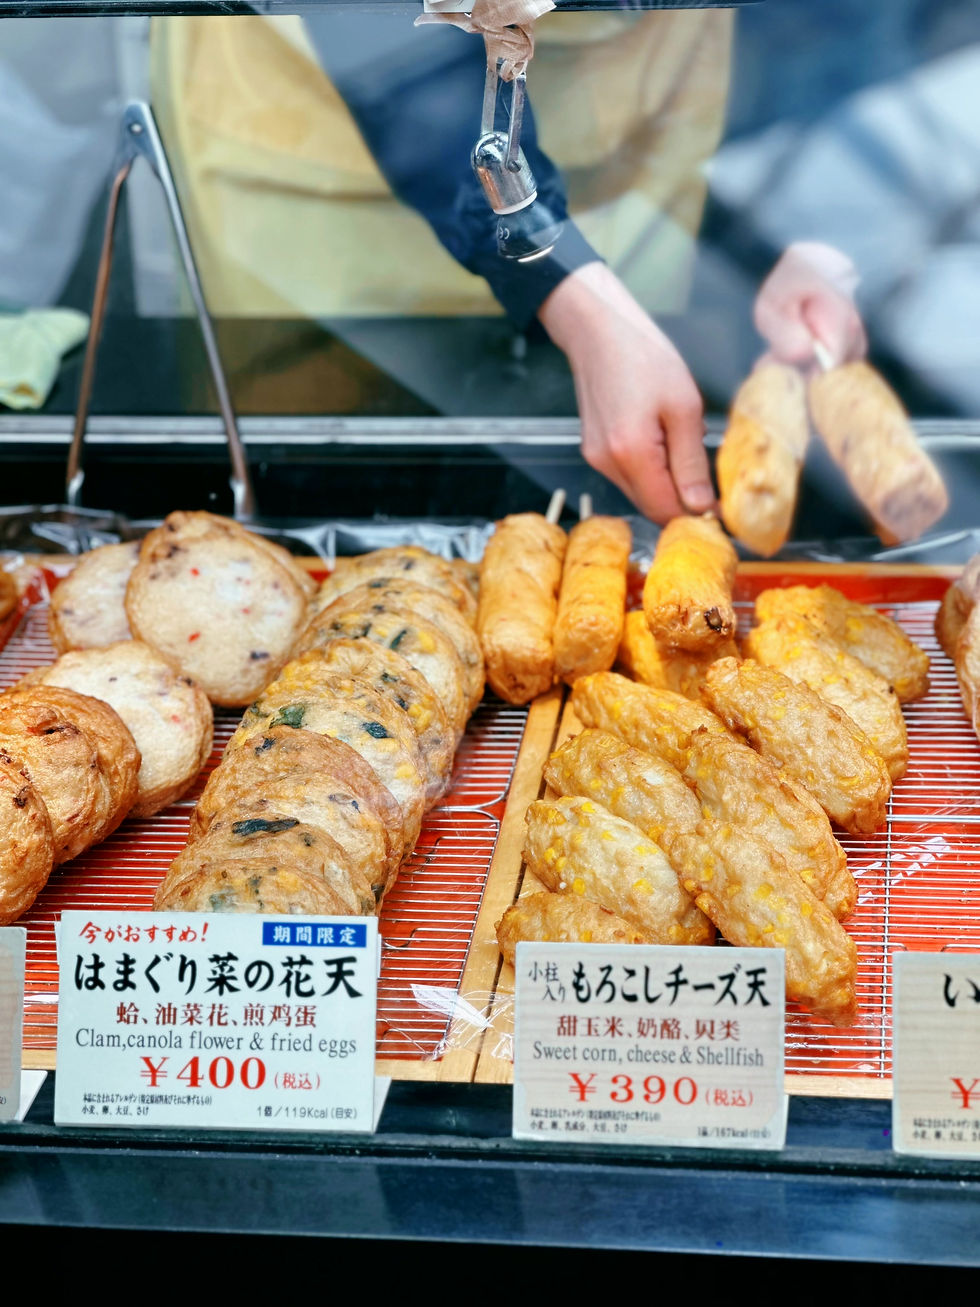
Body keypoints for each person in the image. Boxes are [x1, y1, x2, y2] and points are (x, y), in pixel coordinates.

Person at [149, 8, 867, 525]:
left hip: (639, 103)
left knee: (629, 488)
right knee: (313, 513)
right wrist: (568, 284)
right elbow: (401, 62)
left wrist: (807, 217)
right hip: (333, 163)